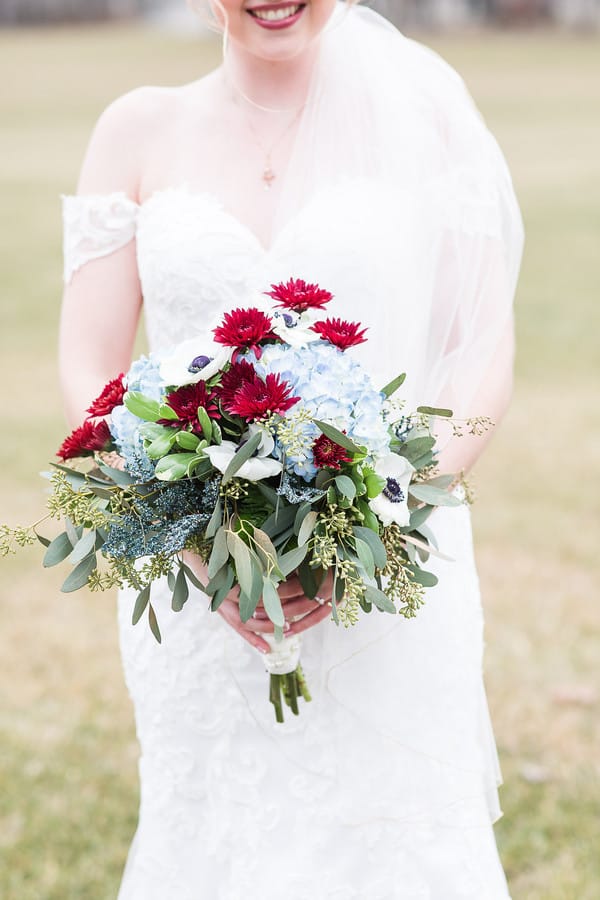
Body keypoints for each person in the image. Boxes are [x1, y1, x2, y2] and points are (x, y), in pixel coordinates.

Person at [59, 1, 524, 897]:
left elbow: (484, 359)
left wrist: (384, 517)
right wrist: (192, 538)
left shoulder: (425, 117)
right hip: (197, 579)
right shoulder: (137, 128)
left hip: (386, 566)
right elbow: (89, 363)